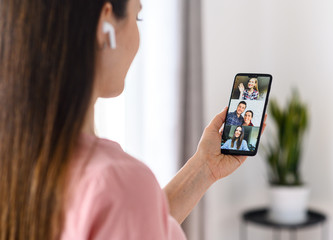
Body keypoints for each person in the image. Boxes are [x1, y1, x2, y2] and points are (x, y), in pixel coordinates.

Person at [0, 0, 266, 239]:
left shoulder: (18, 158)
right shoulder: (117, 183)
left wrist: (203, 168)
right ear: (105, 25)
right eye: (137, 17)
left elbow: (134, 223)